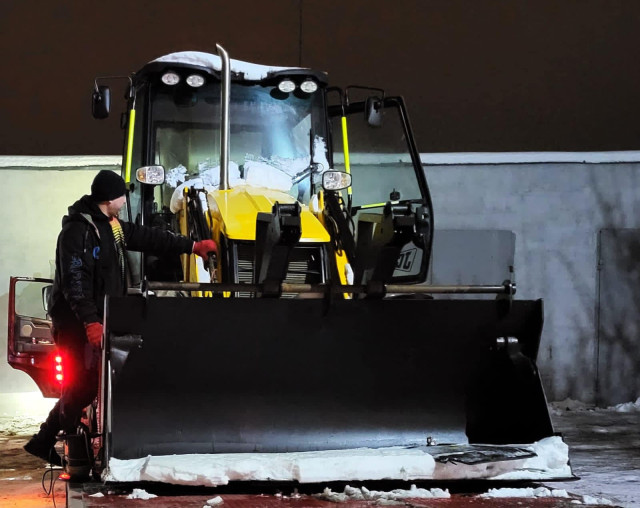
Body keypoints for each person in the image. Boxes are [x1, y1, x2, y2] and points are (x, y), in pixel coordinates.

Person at [24, 170, 216, 466]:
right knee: (82, 383)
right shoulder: (78, 232)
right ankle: (61, 445)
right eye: (121, 197)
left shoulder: (110, 226)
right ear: (108, 199)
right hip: (75, 322)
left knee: (88, 383)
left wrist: (192, 246)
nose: (125, 202)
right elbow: (75, 281)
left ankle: (47, 441)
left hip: (96, 317)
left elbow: (147, 237)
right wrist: (90, 321)